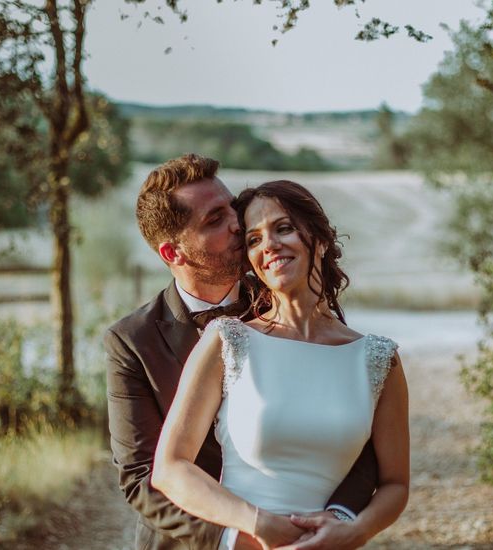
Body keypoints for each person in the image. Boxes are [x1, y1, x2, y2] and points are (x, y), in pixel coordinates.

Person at [105, 157, 380, 550]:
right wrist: (235, 537)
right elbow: (140, 477)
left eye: (231, 208)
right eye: (214, 220)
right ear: (172, 253)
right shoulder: (132, 341)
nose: (238, 223)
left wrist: (338, 519)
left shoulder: (290, 297)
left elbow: (356, 429)